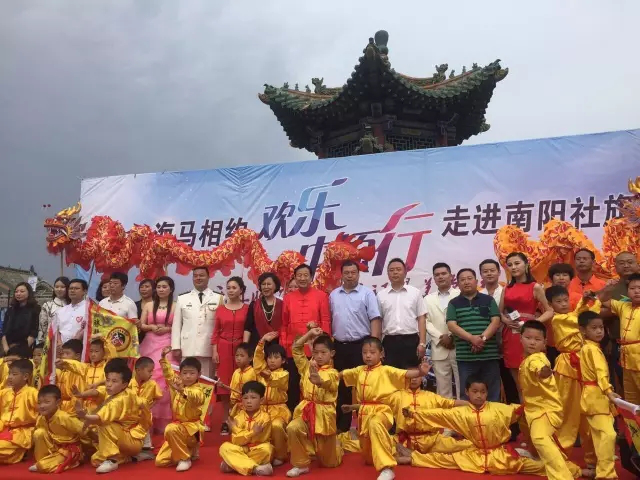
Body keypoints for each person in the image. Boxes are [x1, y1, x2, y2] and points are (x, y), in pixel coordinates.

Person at [395, 376, 574, 477]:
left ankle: (574, 469)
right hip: (474, 456)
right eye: (475, 391)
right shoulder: (460, 413)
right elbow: (439, 415)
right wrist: (414, 413)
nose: (479, 395)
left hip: (500, 456)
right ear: (467, 392)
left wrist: (540, 404)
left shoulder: (499, 409)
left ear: (487, 393)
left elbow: (521, 410)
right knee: (443, 460)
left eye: (482, 392)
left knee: (536, 467)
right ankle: (412, 458)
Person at [341, 336, 430, 480]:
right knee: (368, 458)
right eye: (365, 352)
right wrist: (322, 379)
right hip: (364, 413)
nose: (368, 356)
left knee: (375, 423)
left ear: (381, 354)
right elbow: (341, 375)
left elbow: (405, 374)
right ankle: (391, 450)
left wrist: (420, 372)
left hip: (382, 411)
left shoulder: (386, 370)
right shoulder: (359, 370)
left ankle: (387, 468)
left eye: (372, 352)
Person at [518, 320, 585, 480]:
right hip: (533, 410)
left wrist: (544, 371)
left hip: (545, 411)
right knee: (546, 444)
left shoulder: (537, 359)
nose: (532, 342)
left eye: (537, 339)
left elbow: (541, 368)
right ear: (520, 338)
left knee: (540, 438)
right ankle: (573, 471)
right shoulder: (526, 359)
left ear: (544, 342)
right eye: (528, 338)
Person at [545, 285, 597, 460]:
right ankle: (560, 452)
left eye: (566, 300)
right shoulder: (558, 319)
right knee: (568, 409)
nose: (563, 304)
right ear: (550, 305)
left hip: (583, 361)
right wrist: (592, 303)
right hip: (567, 365)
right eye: (558, 301)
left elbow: (577, 314)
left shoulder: (569, 316)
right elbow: (580, 320)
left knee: (588, 408)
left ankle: (593, 456)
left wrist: (585, 301)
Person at [330, 260, 381, 432]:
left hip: (362, 346)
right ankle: (342, 426)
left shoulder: (367, 294)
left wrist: (374, 346)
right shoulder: (334, 295)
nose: (350, 276)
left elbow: (375, 319)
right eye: (347, 273)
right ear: (341, 274)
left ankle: (364, 425)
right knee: (342, 386)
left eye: (353, 272)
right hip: (340, 346)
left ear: (358, 275)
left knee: (363, 386)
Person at [77, 358, 151, 474]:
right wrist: (81, 394)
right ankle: (129, 458)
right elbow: (98, 391)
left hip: (131, 440)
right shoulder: (120, 390)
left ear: (124, 384)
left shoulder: (120, 400)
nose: (109, 384)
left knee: (104, 424)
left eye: (114, 381)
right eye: (107, 380)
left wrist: (85, 416)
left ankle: (112, 459)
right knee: (96, 460)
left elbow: (100, 418)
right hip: (123, 437)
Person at [286, 328, 342, 477]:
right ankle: (301, 464)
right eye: (316, 352)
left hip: (324, 416)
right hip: (306, 410)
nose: (319, 356)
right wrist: (309, 334)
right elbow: (296, 348)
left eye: (323, 352)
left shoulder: (333, 373)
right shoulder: (307, 367)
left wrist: (320, 381)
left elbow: (330, 384)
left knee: (329, 463)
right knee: (293, 427)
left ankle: (338, 445)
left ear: (332, 353)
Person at [500, 252, 553, 396]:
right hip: (511, 334)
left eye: (517, 263)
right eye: (510, 265)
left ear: (526, 265)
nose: (513, 267)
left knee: (534, 375)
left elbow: (549, 311)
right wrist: (506, 320)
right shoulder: (506, 288)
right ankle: (523, 408)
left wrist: (532, 324)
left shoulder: (535, 287)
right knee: (518, 381)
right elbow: (499, 313)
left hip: (530, 335)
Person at [446, 268, 502, 402]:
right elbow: (452, 325)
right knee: (466, 393)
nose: (466, 282)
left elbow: (496, 321)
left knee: (492, 392)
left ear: (476, 281)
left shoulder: (488, 300)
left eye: (469, 278)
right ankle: (469, 416)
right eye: (462, 280)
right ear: (457, 283)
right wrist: (472, 339)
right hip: (466, 357)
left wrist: (482, 339)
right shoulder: (453, 303)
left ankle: (492, 416)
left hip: (489, 355)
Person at [281, 264, 331, 413]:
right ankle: (293, 416)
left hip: (314, 348)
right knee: (293, 384)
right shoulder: (288, 298)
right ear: (295, 277)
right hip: (293, 348)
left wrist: (325, 345)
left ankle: (314, 416)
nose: (302, 278)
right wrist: (284, 344)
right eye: (299, 275)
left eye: (305, 275)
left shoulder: (321, 296)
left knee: (314, 385)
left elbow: (326, 320)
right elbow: (284, 324)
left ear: (311, 278)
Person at [579, 310, 620, 480]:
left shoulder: (589, 347)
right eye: (594, 328)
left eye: (601, 328)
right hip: (597, 395)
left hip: (592, 395)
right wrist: (609, 391)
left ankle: (597, 467)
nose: (599, 331)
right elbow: (600, 373)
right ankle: (606, 474)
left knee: (596, 434)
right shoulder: (592, 349)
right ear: (583, 330)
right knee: (608, 434)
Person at [392, 370, 471, 454]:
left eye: (417, 376)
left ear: (422, 378)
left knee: (468, 445)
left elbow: (451, 403)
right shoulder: (396, 396)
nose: (413, 379)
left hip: (431, 441)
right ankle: (409, 455)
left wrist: (472, 404)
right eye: (410, 377)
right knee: (383, 445)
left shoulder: (431, 396)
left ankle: (410, 456)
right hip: (403, 440)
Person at [155, 346, 205, 472]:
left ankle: (184, 458)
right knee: (160, 461)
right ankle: (189, 451)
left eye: (192, 373)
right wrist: (163, 358)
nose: (188, 376)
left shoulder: (198, 390)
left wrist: (182, 391)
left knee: (170, 428)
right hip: (178, 430)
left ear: (199, 374)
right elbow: (169, 374)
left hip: (192, 431)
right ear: (180, 373)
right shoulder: (178, 384)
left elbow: (196, 398)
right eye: (185, 373)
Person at [139, 275, 176, 434]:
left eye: (164, 287)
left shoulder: (176, 306)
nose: (161, 289)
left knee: (166, 379)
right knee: (149, 376)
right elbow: (141, 325)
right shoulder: (148, 305)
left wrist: (167, 329)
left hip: (167, 343)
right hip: (149, 342)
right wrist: (152, 327)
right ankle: (147, 418)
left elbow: (179, 325)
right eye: (159, 287)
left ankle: (164, 420)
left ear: (171, 289)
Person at [212, 276, 250, 433]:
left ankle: (242, 418)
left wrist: (246, 349)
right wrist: (214, 351)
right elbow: (215, 331)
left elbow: (248, 329)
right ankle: (226, 420)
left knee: (242, 382)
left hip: (240, 348)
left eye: (234, 288)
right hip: (224, 348)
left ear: (241, 290)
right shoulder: (221, 309)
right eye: (228, 288)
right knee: (225, 385)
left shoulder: (247, 309)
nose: (231, 290)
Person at [172, 266, 223, 379]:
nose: (198, 278)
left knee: (207, 382)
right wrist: (176, 346)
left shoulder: (219, 298)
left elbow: (221, 326)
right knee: (187, 381)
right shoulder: (183, 298)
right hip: (188, 347)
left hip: (208, 348)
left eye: (201, 275)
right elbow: (176, 325)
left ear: (208, 277)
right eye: (195, 276)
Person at [377, 258, 427, 369]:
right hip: (389, 342)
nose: (395, 272)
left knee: (412, 374)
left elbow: (421, 318)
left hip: (411, 341)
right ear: (388, 274)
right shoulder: (381, 295)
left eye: (398, 269)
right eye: (391, 270)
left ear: (405, 273)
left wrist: (422, 343)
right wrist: (378, 346)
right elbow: (378, 322)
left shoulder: (415, 293)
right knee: (390, 375)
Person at [600, 272, 640, 404]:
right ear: (627, 291)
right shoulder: (623, 306)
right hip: (627, 359)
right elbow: (602, 300)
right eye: (632, 288)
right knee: (631, 397)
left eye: (639, 288)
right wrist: (608, 289)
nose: (636, 291)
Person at [219, 381, 274, 476]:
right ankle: (255, 468)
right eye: (245, 398)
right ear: (242, 400)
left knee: (267, 450)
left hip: (258, 449)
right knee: (225, 447)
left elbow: (259, 439)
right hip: (241, 448)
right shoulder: (238, 417)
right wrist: (253, 432)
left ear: (261, 400)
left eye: (253, 398)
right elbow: (236, 441)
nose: (248, 401)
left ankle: (234, 465)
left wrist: (236, 429)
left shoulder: (265, 417)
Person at [423, 262, 460, 404]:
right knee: (443, 391)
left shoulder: (460, 294)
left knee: (463, 387)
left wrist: (452, 336)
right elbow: (426, 322)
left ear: (451, 276)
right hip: (439, 347)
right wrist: (440, 337)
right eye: (437, 275)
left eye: (444, 273)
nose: (440, 277)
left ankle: (463, 416)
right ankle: (446, 419)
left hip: (459, 346)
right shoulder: (428, 299)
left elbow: (463, 318)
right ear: (434, 278)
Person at [29, 384, 85, 473]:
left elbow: (84, 429)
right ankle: (43, 461)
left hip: (68, 450)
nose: (42, 406)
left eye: (47, 402)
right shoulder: (41, 418)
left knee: (42, 467)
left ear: (58, 402)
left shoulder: (64, 417)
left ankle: (71, 461)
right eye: (39, 403)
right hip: (54, 447)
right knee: (39, 433)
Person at [254, 332, 290, 466]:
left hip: (279, 410)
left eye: (276, 357)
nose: (272, 360)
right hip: (262, 409)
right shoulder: (263, 372)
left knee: (276, 426)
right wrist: (262, 341)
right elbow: (257, 361)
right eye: (269, 357)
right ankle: (261, 454)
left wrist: (266, 375)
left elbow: (274, 379)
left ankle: (281, 455)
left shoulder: (284, 374)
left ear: (283, 360)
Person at [0, 359, 38, 464]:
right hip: (4, 428)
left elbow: (43, 414)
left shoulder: (32, 393)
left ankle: (21, 452)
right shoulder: (5, 393)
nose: (9, 377)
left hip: (21, 433)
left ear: (25, 376)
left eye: (14, 374)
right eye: (9, 374)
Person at [243, 272, 283, 351]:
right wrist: (244, 347)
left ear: (275, 286)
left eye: (269, 284)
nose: (266, 287)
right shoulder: (254, 305)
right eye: (263, 284)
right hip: (256, 345)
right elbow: (248, 328)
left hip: (276, 346)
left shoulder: (283, 305)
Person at [1, 282, 41, 352]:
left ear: (29, 293)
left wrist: (21, 350)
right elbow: (4, 332)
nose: (18, 294)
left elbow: (33, 332)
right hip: (8, 347)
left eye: (22, 291)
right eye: (16, 292)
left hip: (25, 347)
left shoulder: (35, 309)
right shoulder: (10, 310)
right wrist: (6, 348)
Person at [54, 339, 87, 416]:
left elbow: (75, 364)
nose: (64, 356)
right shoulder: (62, 370)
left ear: (77, 355)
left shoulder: (81, 368)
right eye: (63, 353)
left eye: (67, 353)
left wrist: (72, 412)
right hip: (60, 407)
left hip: (73, 410)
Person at [51, 278, 88, 345]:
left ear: (84, 291)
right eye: (70, 288)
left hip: (81, 347)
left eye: (76, 288)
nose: (72, 291)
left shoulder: (90, 309)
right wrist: (59, 342)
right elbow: (56, 329)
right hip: (61, 348)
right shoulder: (60, 311)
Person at [228, 343, 256, 423]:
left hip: (249, 407)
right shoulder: (236, 372)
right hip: (236, 407)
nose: (238, 358)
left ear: (250, 358)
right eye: (237, 355)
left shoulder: (253, 372)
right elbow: (232, 390)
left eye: (242, 356)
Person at [37, 276, 69, 344]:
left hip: (68, 342)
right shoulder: (47, 306)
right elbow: (42, 327)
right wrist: (41, 342)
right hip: (50, 341)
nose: (59, 289)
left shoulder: (72, 306)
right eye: (56, 287)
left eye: (62, 287)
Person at [135, 278, 155, 344]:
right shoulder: (134, 305)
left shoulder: (157, 305)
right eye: (141, 287)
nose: (143, 289)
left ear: (153, 289)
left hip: (153, 338)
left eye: (147, 287)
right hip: (137, 338)